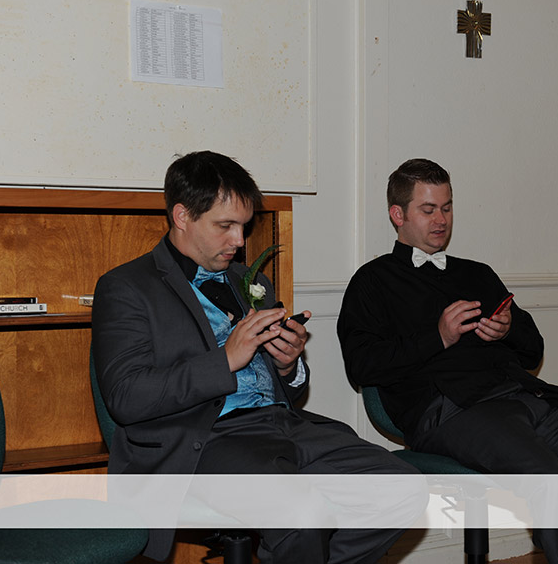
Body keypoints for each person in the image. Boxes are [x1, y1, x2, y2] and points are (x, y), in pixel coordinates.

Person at [337, 158, 558, 564]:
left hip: (525, 396)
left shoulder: (477, 274)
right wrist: (438, 337)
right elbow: (362, 366)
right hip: (451, 411)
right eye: (428, 209)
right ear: (397, 215)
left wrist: (507, 331)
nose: (441, 220)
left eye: (447, 207)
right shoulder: (372, 282)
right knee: (550, 480)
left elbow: (533, 351)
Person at [92, 151, 425, 564]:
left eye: (244, 226)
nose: (239, 240)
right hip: (203, 441)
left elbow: (288, 388)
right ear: (182, 216)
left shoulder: (250, 281)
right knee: (302, 515)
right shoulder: (126, 287)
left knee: (404, 489)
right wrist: (226, 359)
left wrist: (288, 364)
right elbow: (126, 397)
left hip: (283, 426)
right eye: (225, 226)